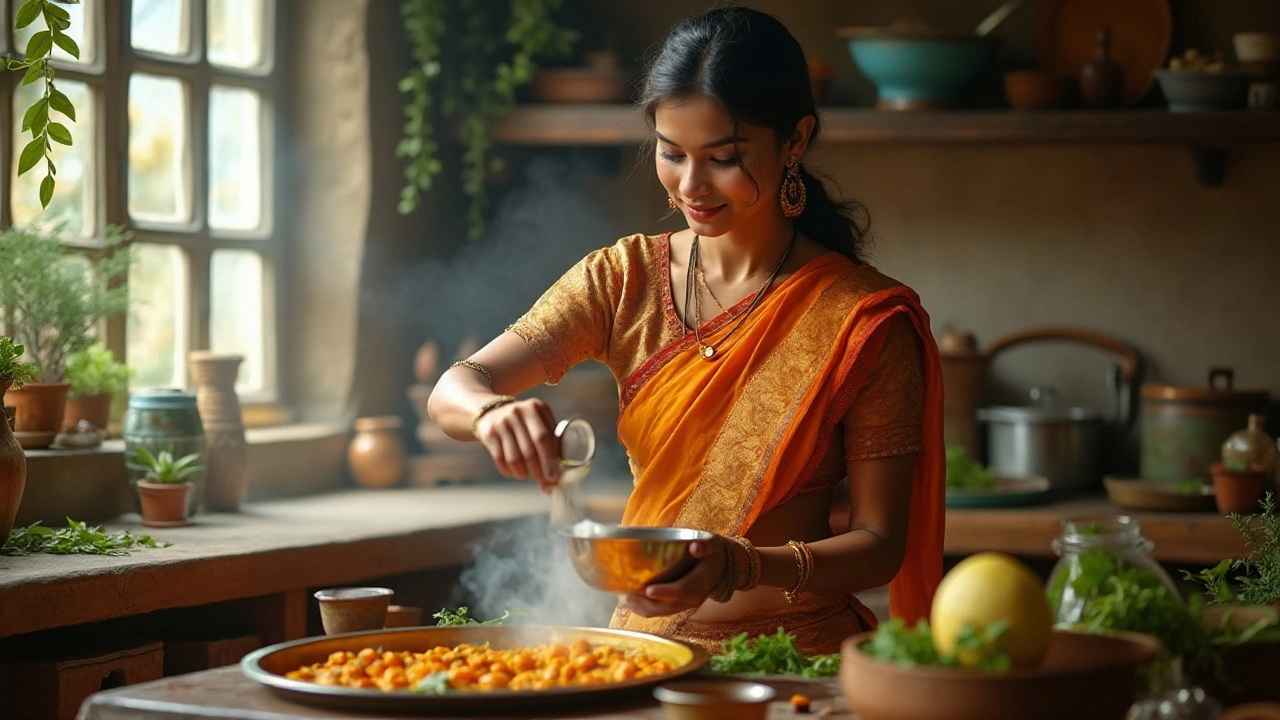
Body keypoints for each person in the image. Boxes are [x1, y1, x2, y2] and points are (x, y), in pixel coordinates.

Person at [427, 6, 944, 655]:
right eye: (672, 154)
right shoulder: (622, 280)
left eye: (724, 158)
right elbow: (455, 386)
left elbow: (879, 546)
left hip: (797, 664)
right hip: (645, 657)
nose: (691, 186)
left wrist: (742, 566)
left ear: (795, 140)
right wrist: (488, 414)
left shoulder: (860, 318)